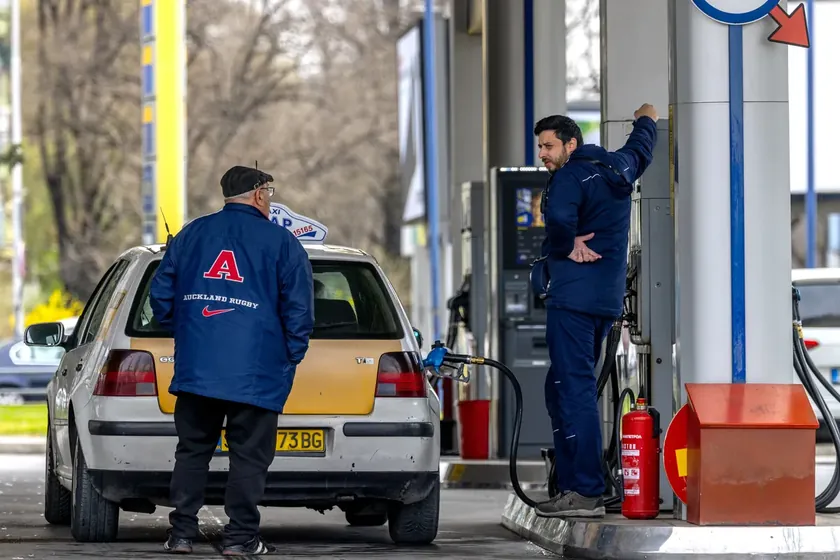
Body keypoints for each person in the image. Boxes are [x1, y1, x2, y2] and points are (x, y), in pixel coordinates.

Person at [149, 165, 315, 555]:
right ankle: (240, 540)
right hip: (256, 374)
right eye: (269, 192)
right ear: (258, 195)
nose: (270, 199)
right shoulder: (282, 243)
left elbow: (161, 296)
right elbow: (299, 311)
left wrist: (187, 332)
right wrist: (290, 356)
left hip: (196, 370)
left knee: (192, 451)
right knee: (249, 458)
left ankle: (181, 535)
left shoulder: (190, 234)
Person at [533, 104, 658, 518]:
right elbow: (641, 149)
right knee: (565, 387)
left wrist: (565, 245)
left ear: (572, 144)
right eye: (540, 147)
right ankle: (576, 481)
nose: (543, 154)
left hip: (572, 299)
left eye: (549, 146)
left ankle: (584, 490)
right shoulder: (618, 167)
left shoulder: (569, 177)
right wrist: (647, 119)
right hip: (604, 300)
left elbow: (556, 217)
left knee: (575, 390)